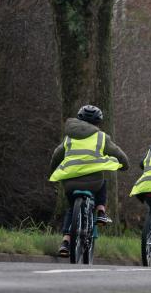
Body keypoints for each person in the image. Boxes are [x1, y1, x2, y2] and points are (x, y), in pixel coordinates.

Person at [49, 104, 129, 257]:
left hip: (70, 182)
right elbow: (118, 154)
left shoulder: (69, 138)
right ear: (98, 122)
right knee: (102, 182)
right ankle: (100, 211)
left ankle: (66, 241)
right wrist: (124, 165)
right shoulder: (101, 137)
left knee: (72, 209)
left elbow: (56, 155)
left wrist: (53, 170)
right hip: (94, 182)